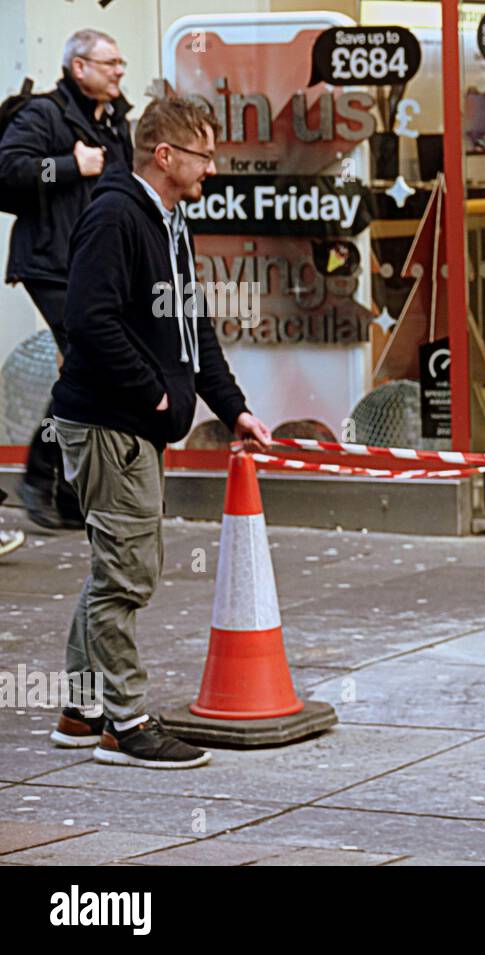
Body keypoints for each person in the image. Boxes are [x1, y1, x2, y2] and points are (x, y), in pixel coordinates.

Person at [48, 97, 272, 768]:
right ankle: (127, 723)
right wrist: (152, 392)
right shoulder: (116, 215)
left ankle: (82, 711)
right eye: (203, 155)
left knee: (115, 567)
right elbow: (87, 320)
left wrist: (231, 407)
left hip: (129, 426)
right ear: (166, 157)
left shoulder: (169, 220)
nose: (213, 167)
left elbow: (191, 326)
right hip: (110, 424)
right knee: (129, 572)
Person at [0, 29, 134, 530]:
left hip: (96, 263)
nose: (120, 70)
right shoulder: (45, 114)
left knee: (92, 369)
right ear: (79, 67)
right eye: (110, 62)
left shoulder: (115, 122)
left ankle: (70, 492)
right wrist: (68, 166)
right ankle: (39, 475)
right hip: (50, 260)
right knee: (88, 359)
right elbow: (9, 171)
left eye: (121, 62)